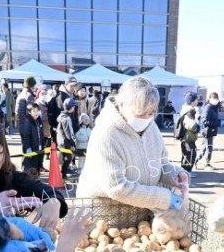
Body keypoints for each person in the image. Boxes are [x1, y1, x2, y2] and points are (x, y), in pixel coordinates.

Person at [77, 76, 189, 210]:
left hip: (139, 212)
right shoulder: (106, 134)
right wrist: (164, 198)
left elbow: (161, 162)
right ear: (122, 104)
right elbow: (117, 187)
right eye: (140, 114)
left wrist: (173, 174)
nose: (146, 118)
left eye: (151, 113)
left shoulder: (151, 127)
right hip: (104, 213)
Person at [174, 92, 200, 177]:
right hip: (188, 138)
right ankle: (187, 172)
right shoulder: (189, 111)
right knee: (190, 154)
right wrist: (197, 128)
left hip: (186, 137)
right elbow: (190, 125)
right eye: (196, 99)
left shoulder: (186, 109)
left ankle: (185, 171)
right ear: (191, 101)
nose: (197, 101)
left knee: (187, 154)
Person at [56, 98, 78, 180]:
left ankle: (63, 173)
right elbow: (69, 133)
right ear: (71, 108)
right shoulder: (66, 118)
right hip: (65, 142)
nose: (74, 108)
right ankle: (63, 174)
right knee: (68, 158)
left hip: (62, 141)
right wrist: (73, 142)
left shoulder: (63, 116)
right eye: (74, 106)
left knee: (67, 158)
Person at [198, 92, 221, 171]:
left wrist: (217, 122)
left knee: (205, 147)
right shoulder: (208, 107)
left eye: (216, 98)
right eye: (214, 98)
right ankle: (206, 164)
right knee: (209, 147)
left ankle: (196, 161)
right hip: (207, 131)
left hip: (211, 130)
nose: (216, 100)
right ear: (210, 99)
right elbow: (204, 121)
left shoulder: (214, 107)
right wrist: (216, 123)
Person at [21, 102, 44, 173]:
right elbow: (25, 136)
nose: (36, 113)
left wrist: (42, 144)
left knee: (36, 165)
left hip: (38, 147)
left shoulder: (39, 120)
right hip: (31, 147)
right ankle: (27, 179)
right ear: (29, 112)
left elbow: (41, 133)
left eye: (37, 111)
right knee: (29, 166)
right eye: (34, 111)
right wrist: (28, 148)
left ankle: (35, 178)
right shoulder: (27, 122)